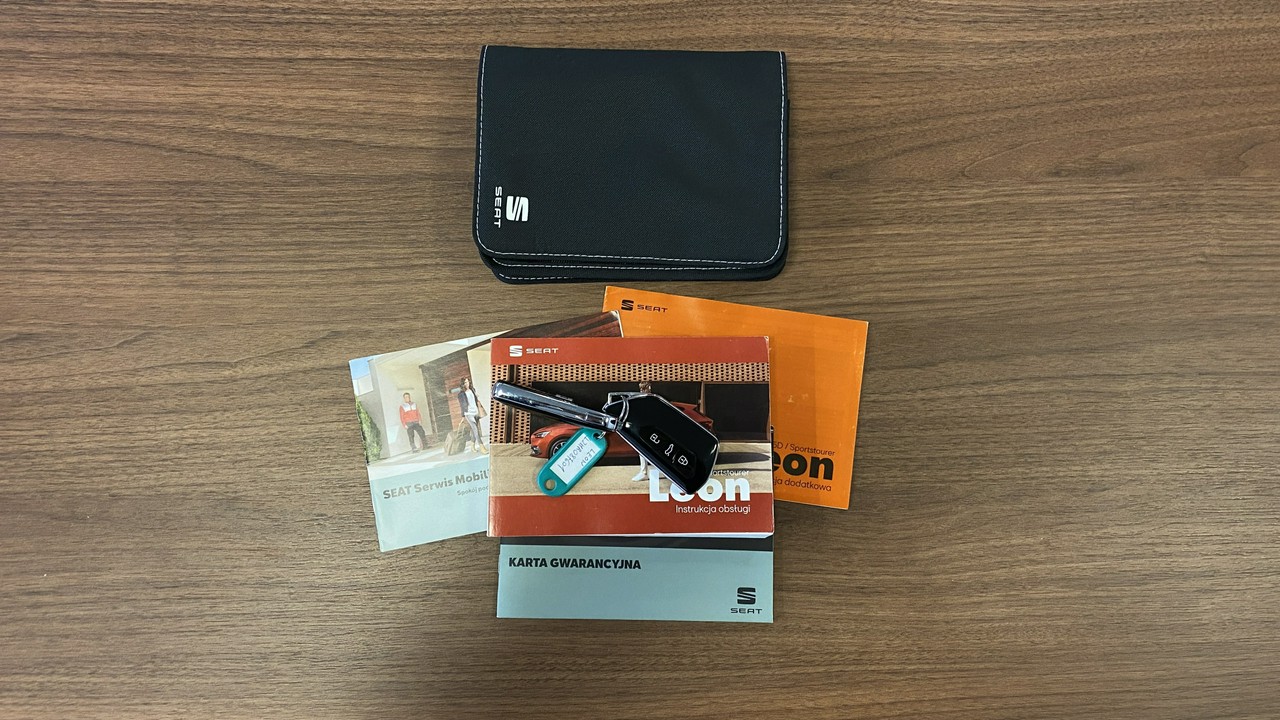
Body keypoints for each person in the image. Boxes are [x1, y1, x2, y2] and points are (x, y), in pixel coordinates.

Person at [631, 381, 660, 481]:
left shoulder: (653, 399)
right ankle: (644, 472)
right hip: (644, 428)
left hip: (653, 429)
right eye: (641, 388)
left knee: (655, 450)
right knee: (642, 449)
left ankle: (653, 471)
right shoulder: (640, 400)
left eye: (644, 388)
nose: (642, 390)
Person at [456, 377, 488, 454]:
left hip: (475, 412)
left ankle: (472, 446)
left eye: (468, 382)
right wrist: (463, 416)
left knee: (474, 430)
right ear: (462, 384)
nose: (467, 383)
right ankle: (482, 447)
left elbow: (475, 400)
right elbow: (462, 406)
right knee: (475, 430)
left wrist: (476, 396)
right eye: (465, 382)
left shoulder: (472, 390)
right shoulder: (461, 394)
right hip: (468, 413)